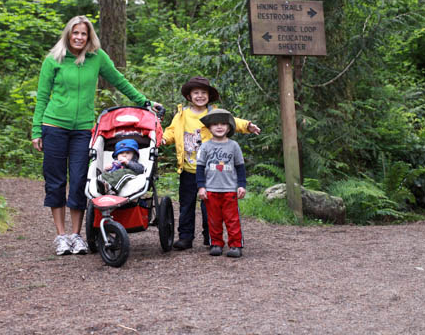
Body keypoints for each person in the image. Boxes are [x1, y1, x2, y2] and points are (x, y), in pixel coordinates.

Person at [31, 15, 159, 256]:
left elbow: (119, 81)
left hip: (83, 129)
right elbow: (42, 96)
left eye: (84, 33)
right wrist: (37, 130)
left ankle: (76, 235)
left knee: (81, 179)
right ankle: (61, 236)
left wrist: (144, 102)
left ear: (89, 37)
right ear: (68, 34)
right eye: (75, 33)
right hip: (54, 126)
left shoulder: (97, 57)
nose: (79, 37)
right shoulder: (53, 60)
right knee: (55, 181)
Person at [162, 76, 260, 250]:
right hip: (188, 169)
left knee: (210, 207)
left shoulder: (214, 113)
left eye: (203, 93)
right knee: (186, 205)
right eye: (196, 93)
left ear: (209, 96)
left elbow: (232, 120)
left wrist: (247, 126)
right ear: (189, 96)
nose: (200, 96)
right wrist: (163, 139)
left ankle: (211, 238)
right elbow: (171, 131)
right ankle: (185, 237)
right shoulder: (181, 115)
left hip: (211, 172)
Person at [196, 109, 246, 258]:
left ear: (229, 127)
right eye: (215, 124)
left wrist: (241, 185)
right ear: (209, 128)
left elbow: (240, 167)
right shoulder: (205, 146)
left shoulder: (234, 146)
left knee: (232, 219)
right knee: (213, 220)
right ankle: (216, 244)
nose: (219, 127)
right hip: (211, 190)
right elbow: (200, 168)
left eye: (223, 124)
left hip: (229, 190)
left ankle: (235, 245)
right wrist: (201, 187)